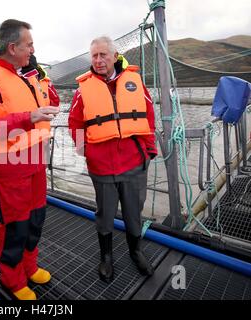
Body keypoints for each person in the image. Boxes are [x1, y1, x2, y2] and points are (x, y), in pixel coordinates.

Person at [0, 19, 59, 300]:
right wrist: (29, 117)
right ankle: (12, 278)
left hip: (34, 162)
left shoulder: (19, 76)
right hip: (8, 168)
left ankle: (29, 266)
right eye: (28, 44)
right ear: (13, 46)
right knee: (15, 225)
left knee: (36, 219)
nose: (32, 49)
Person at [68, 36, 157, 282]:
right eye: (94, 56)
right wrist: (84, 151)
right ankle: (106, 257)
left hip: (134, 164)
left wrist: (149, 151)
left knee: (133, 214)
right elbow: (75, 124)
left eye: (103, 55)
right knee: (105, 215)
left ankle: (136, 251)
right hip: (102, 167)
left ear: (115, 56)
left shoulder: (135, 82)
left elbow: (149, 117)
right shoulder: (82, 90)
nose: (98, 60)